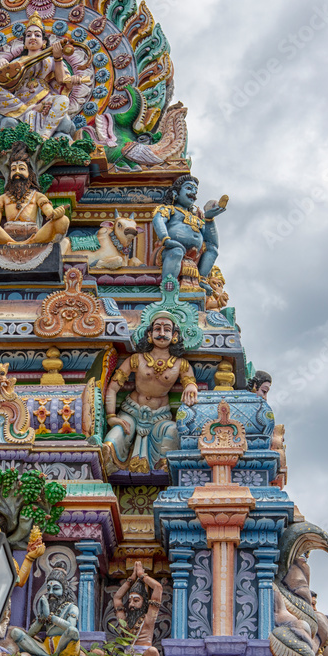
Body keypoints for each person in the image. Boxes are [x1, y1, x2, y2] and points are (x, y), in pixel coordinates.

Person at [102, 311, 198, 474]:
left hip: (160, 417)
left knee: (173, 431)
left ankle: (165, 473)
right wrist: (111, 417)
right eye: (157, 329)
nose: (161, 334)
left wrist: (191, 387)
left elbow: (190, 382)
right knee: (111, 441)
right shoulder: (136, 359)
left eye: (166, 330)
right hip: (131, 412)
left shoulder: (181, 364)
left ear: (174, 335)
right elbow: (112, 387)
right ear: (149, 333)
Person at [0, 13, 88, 139]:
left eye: (37, 35)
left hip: (45, 102)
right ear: (24, 43)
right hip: (20, 103)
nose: (32, 37)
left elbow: (63, 80)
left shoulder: (51, 60)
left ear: (44, 42)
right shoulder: (16, 63)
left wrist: (58, 59)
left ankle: (45, 134)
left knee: (63, 100)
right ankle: (29, 109)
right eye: (29, 35)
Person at [0, 142, 70, 247]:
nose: (17, 172)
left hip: (34, 236)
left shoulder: (37, 195)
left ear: (30, 175)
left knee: (63, 220)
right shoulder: (4, 197)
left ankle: (27, 243)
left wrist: (55, 213)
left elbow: (49, 212)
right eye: (13, 170)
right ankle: (13, 243)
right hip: (6, 237)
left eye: (22, 169)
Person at [152, 175, 227, 291]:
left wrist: (209, 219)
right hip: (169, 250)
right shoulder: (169, 209)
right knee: (177, 252)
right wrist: (166, 239)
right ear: (175, 193)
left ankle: (201, 279)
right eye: (188, 188)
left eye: (195, 191)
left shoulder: (197, 218)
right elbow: (158, 220)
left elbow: (212, 242)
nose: (193, 193)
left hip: (194, 255)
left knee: (213, 250)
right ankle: (168, 287)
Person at [10, 567, 80, 656]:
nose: (51, 592)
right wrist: (40, 619)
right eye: (48, 588)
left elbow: (71, 627)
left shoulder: (72, 608)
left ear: (64, 590)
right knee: (16, 633)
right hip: (46, 648)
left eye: (55, 588)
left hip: (65, 647)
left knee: (73, 631)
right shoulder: (48, 609)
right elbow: (30, 634)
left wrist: (52, 618)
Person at [112, 560, 163, 656]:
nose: (131, 604)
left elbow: (158, 588)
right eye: (130, 601)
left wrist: (141, 575)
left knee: (153, 652)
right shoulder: (125, 621)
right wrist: (131, 579)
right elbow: (117, 599)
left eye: (136, 601)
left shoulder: (148, 618)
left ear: (144, 602)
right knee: (98, 653)